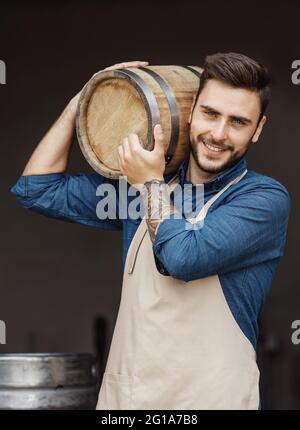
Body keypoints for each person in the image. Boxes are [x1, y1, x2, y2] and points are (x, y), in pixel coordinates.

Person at [10, 54, 291, 410]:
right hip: (128, 403)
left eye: (238, 121)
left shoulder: (262, 199)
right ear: (190, 110)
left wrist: (150, 184)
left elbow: (183, 258)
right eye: (210, 114)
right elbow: (37, 190)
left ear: (258, 128)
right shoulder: (141, 187)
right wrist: (81, 100)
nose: (219, 134)